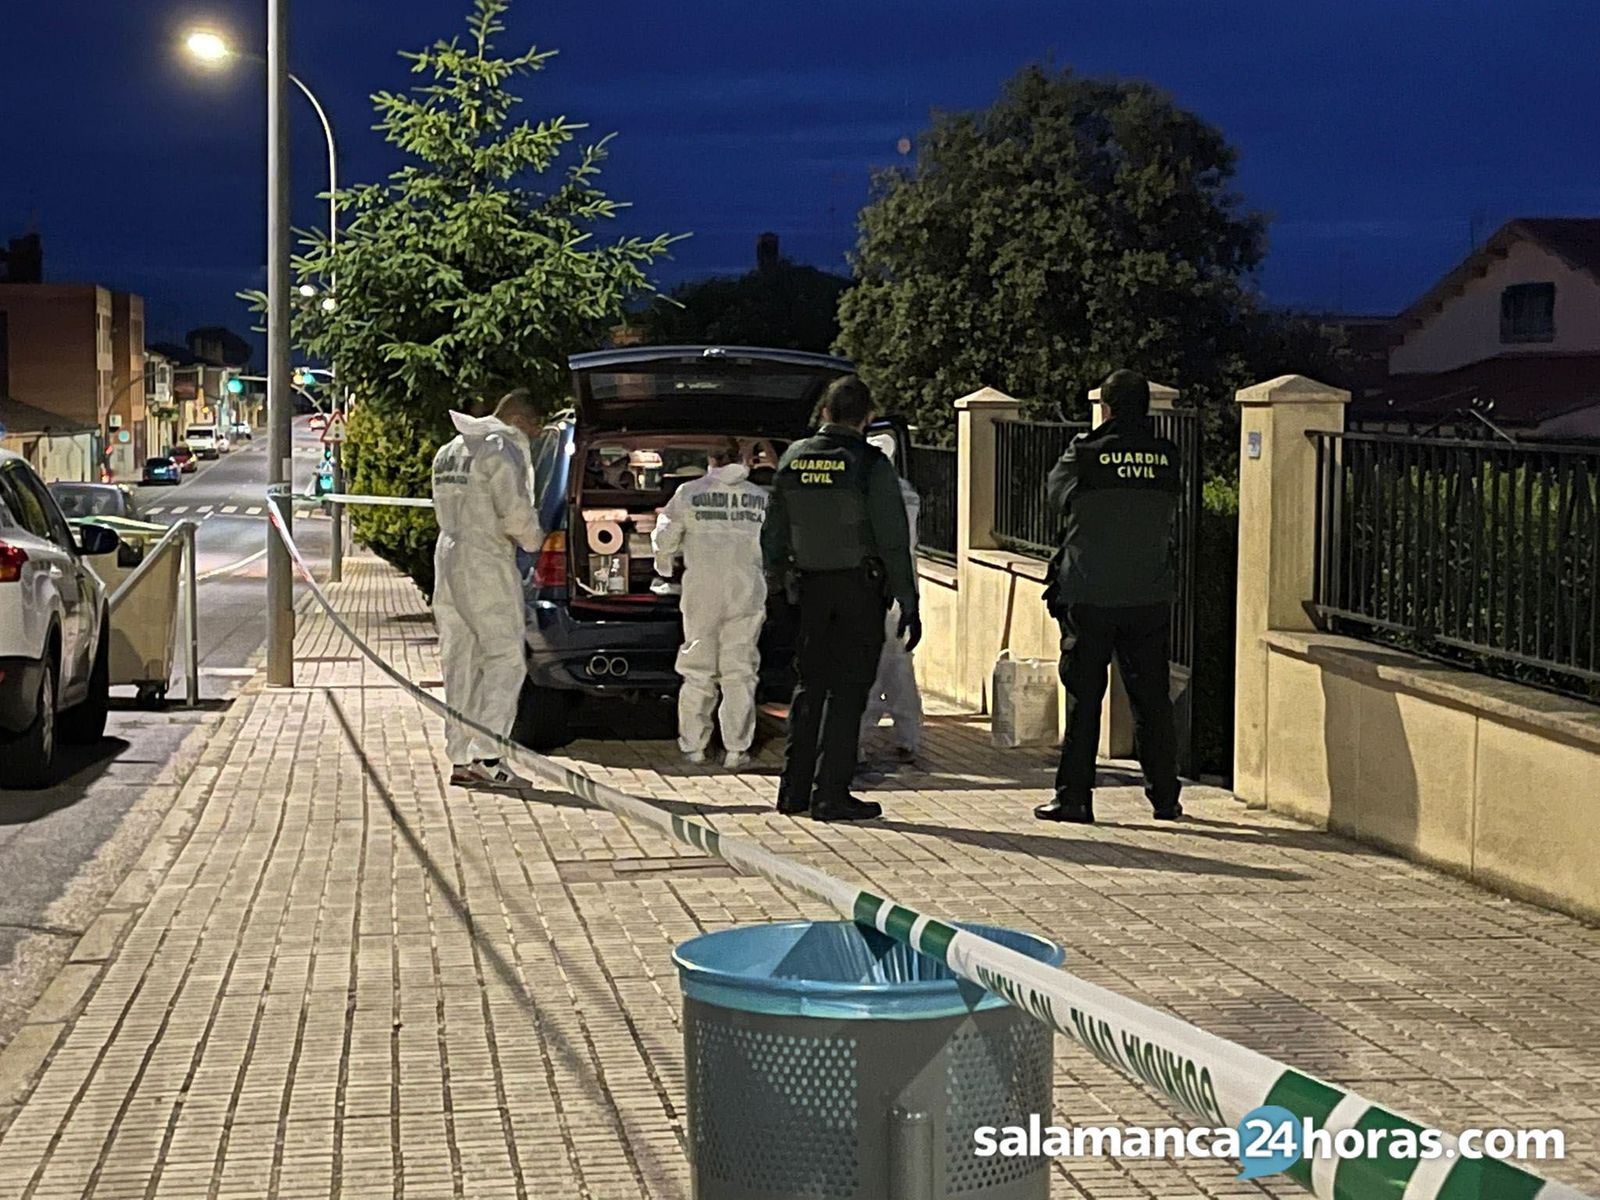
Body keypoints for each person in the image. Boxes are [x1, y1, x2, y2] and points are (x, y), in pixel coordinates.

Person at [762, 377, 919, 822]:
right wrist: (908, 601)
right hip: (858, 591)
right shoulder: (870, 465)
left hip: (808, 590)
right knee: (848, 692)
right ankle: (831, 793)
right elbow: (893, 540)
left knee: (809, 686)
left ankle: (794, 790)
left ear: (825, 414)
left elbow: (773, 531)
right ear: (868, 418)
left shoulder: (793, 458)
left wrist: (777, 584)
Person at [1038, 369, 1183, 824]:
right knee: (1152, 699)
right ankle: (1165, 798)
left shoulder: (1084, 453)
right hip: (1148, 595)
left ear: (1105, 407)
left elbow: (1054, 497)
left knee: (1084, 700)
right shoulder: (1167, 455)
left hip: (1089, 594)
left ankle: (1074, 798)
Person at [432, 388, 545, 789]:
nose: (533, 437)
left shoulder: (449, 450)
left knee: (460, 658)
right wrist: (536, 539)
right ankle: (488, 753)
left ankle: (461, 755)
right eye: (534, 429)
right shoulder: (500, 448)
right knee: (505, 657)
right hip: (485, 560)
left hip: (448, 558)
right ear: (520, 420)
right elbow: (514, 513)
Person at [652, 438, 769, 769]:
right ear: (740, 458)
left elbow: (664, 537)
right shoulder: (760, 497)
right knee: (740, 670)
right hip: (746, 589)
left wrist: (664, 566)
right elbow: (775, 544)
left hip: (702, 590)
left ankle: (694, 746)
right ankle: (736, 749)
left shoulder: (689, 493)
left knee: (697, 668)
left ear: (710, 460)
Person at [858, 474, 924, 765]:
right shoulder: (908, 492)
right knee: (899, 664)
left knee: (868, 664)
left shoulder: (867, 491)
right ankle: (908, 737)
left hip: (875, 585)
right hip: (903, 583)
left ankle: (858, 737)